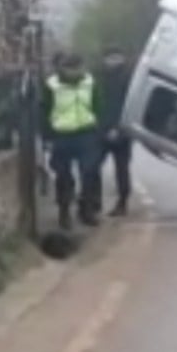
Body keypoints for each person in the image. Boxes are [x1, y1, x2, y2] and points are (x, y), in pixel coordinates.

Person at [40, 53, 103, 230]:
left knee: (89, 172)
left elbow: (98, 105)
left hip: (86, 133)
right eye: (70, 68)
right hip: (62, 135)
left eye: (78, 68)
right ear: (62, 69)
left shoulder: (90, 82)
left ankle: (87, 210)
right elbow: (44, 111)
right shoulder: (52, 85)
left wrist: (98, 128)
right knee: (63, 176)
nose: (74, 72)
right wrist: (47, 137)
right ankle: (64, 211)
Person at [96, 47, 134, 217]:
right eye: (110, 58)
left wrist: (117, 127)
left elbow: (127, 105)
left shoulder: (127, 79)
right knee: (93, 167)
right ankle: (95, 202)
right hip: (102, 130)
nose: (112, 61)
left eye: (116, 58)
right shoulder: (98, 78)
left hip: (120, 130)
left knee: (121, 168)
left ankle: (122, 202)